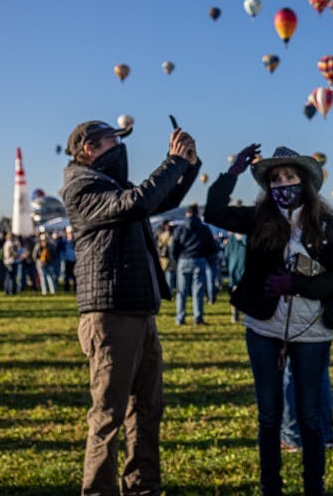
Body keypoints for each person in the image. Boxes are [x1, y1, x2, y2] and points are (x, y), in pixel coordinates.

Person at [61, 118, 199, 495]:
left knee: (147, 408)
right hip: (110, 314)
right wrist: (172, 162)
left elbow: (160, 200)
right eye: (113, 140)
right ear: (90, 148)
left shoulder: (110, 184)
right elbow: (137, 202)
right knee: (109, 414)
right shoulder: (81, 185)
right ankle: (98, 490)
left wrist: (186, 165)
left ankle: (142, 487)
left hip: (137, 309)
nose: (121, 147)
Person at [205, 144, 333, 496]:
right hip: (264, 328)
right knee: (268, 414)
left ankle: (313, 487)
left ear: (305, 181)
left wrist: (297, 284)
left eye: (289, 176)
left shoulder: (324, 223)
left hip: (311, 329)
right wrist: (232, 172)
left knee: (310, 415)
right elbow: (214, 211)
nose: (283, 184)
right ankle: (271, 486)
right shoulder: (258, 218)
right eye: (275, 179)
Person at [170, 203, 221, 325]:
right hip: (199, 260)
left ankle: (180, 317)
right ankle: (198, 318)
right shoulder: (204, 229)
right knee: (198, 291)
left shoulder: (180, 229)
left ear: (187, 213)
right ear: (197, 214)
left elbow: (173, 248)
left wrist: (176, 262)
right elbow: (212, 247)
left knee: (181, 291)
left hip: (183, 260)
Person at [155, 221, 176, 294]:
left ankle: (163, 291)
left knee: (164, 275)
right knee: (169, 275)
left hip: (161, 257)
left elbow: (158, 245)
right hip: (167, 257)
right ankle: (169, 291)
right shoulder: (169, 235)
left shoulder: (160, 233)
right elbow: (171, 245)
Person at [60, 227, 77, 292]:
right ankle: (67, 289)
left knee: (75, 275)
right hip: (67, 260)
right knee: (66, 275)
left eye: (71, 233)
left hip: (74, 260)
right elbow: (61, 251)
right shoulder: (63, 241)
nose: (70, 234)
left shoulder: (75, 241)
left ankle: (76, 288)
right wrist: (63, 258)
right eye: (68, 233)